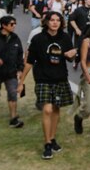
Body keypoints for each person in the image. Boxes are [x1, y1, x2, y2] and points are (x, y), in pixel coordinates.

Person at [18, 11, 77, 160]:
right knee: (47, 109)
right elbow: (30, 61)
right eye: (52, 20)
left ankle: (52, 138)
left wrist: (73, 54)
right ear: (46, 22)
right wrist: (21, 81)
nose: (55, 23)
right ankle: (47, 144)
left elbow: (70, 58)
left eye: (58, 20)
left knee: (56, 109)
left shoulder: (65, 37)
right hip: (43, 79)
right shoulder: (38, 39)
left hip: (60, 78)